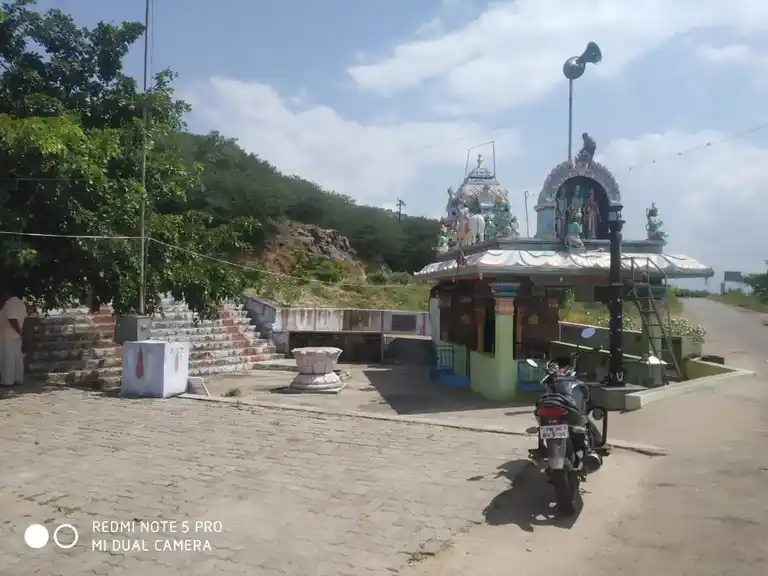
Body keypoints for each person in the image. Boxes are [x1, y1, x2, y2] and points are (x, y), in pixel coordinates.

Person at [0, 288, 27, 387]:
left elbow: (12, 318)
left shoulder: (11, 303)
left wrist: (19, 331)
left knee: (7, 359)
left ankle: (7, 381)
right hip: (15, 336)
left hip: (7, 336)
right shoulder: (20, 303)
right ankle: (17, 379)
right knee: (16, 358)